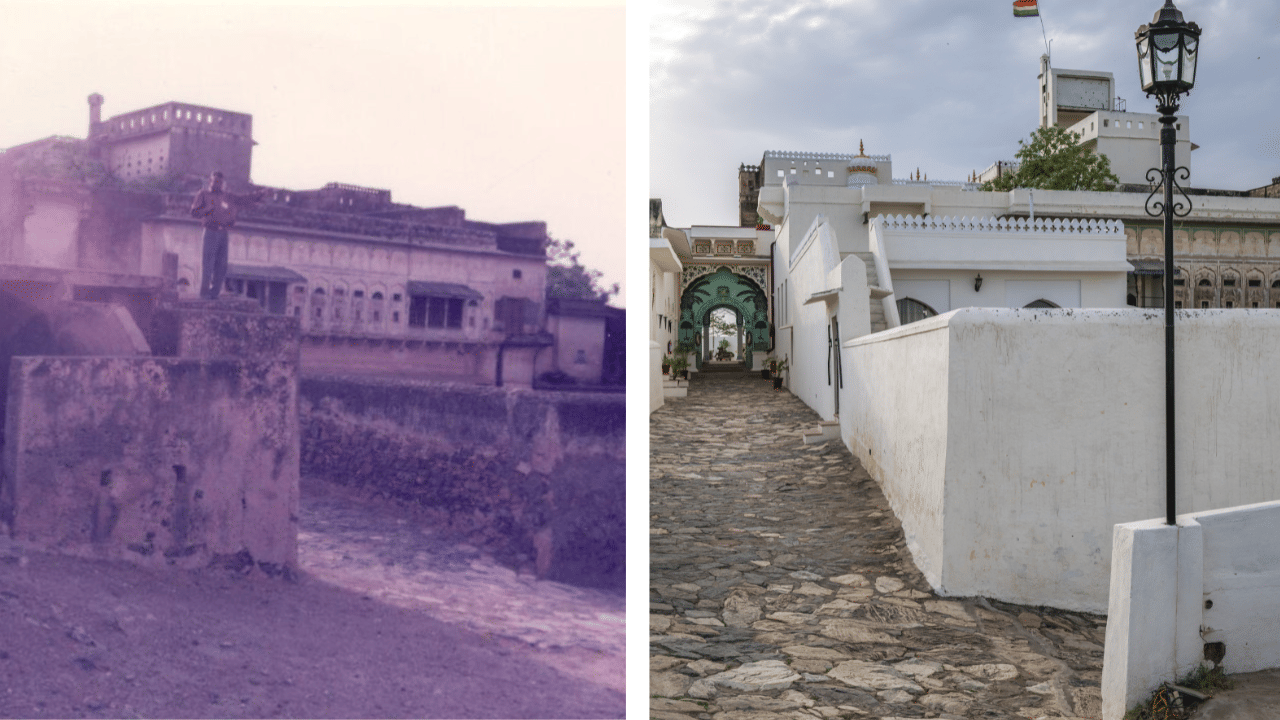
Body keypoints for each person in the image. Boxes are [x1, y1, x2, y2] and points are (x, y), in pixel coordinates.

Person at [189, 171, 266, 299]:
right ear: (210, 182)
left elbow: (243, 200)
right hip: (210, 231)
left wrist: (260, 194)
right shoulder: (203, 194)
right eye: (215, 181)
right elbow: (193, 212)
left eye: (220, 182)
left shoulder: (228, 197)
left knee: (221, 266)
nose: (217, 184)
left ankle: (214, 294)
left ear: (224, 184)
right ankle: (204, 294)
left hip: (223, 232)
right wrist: (207, 210)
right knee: (208, 264)